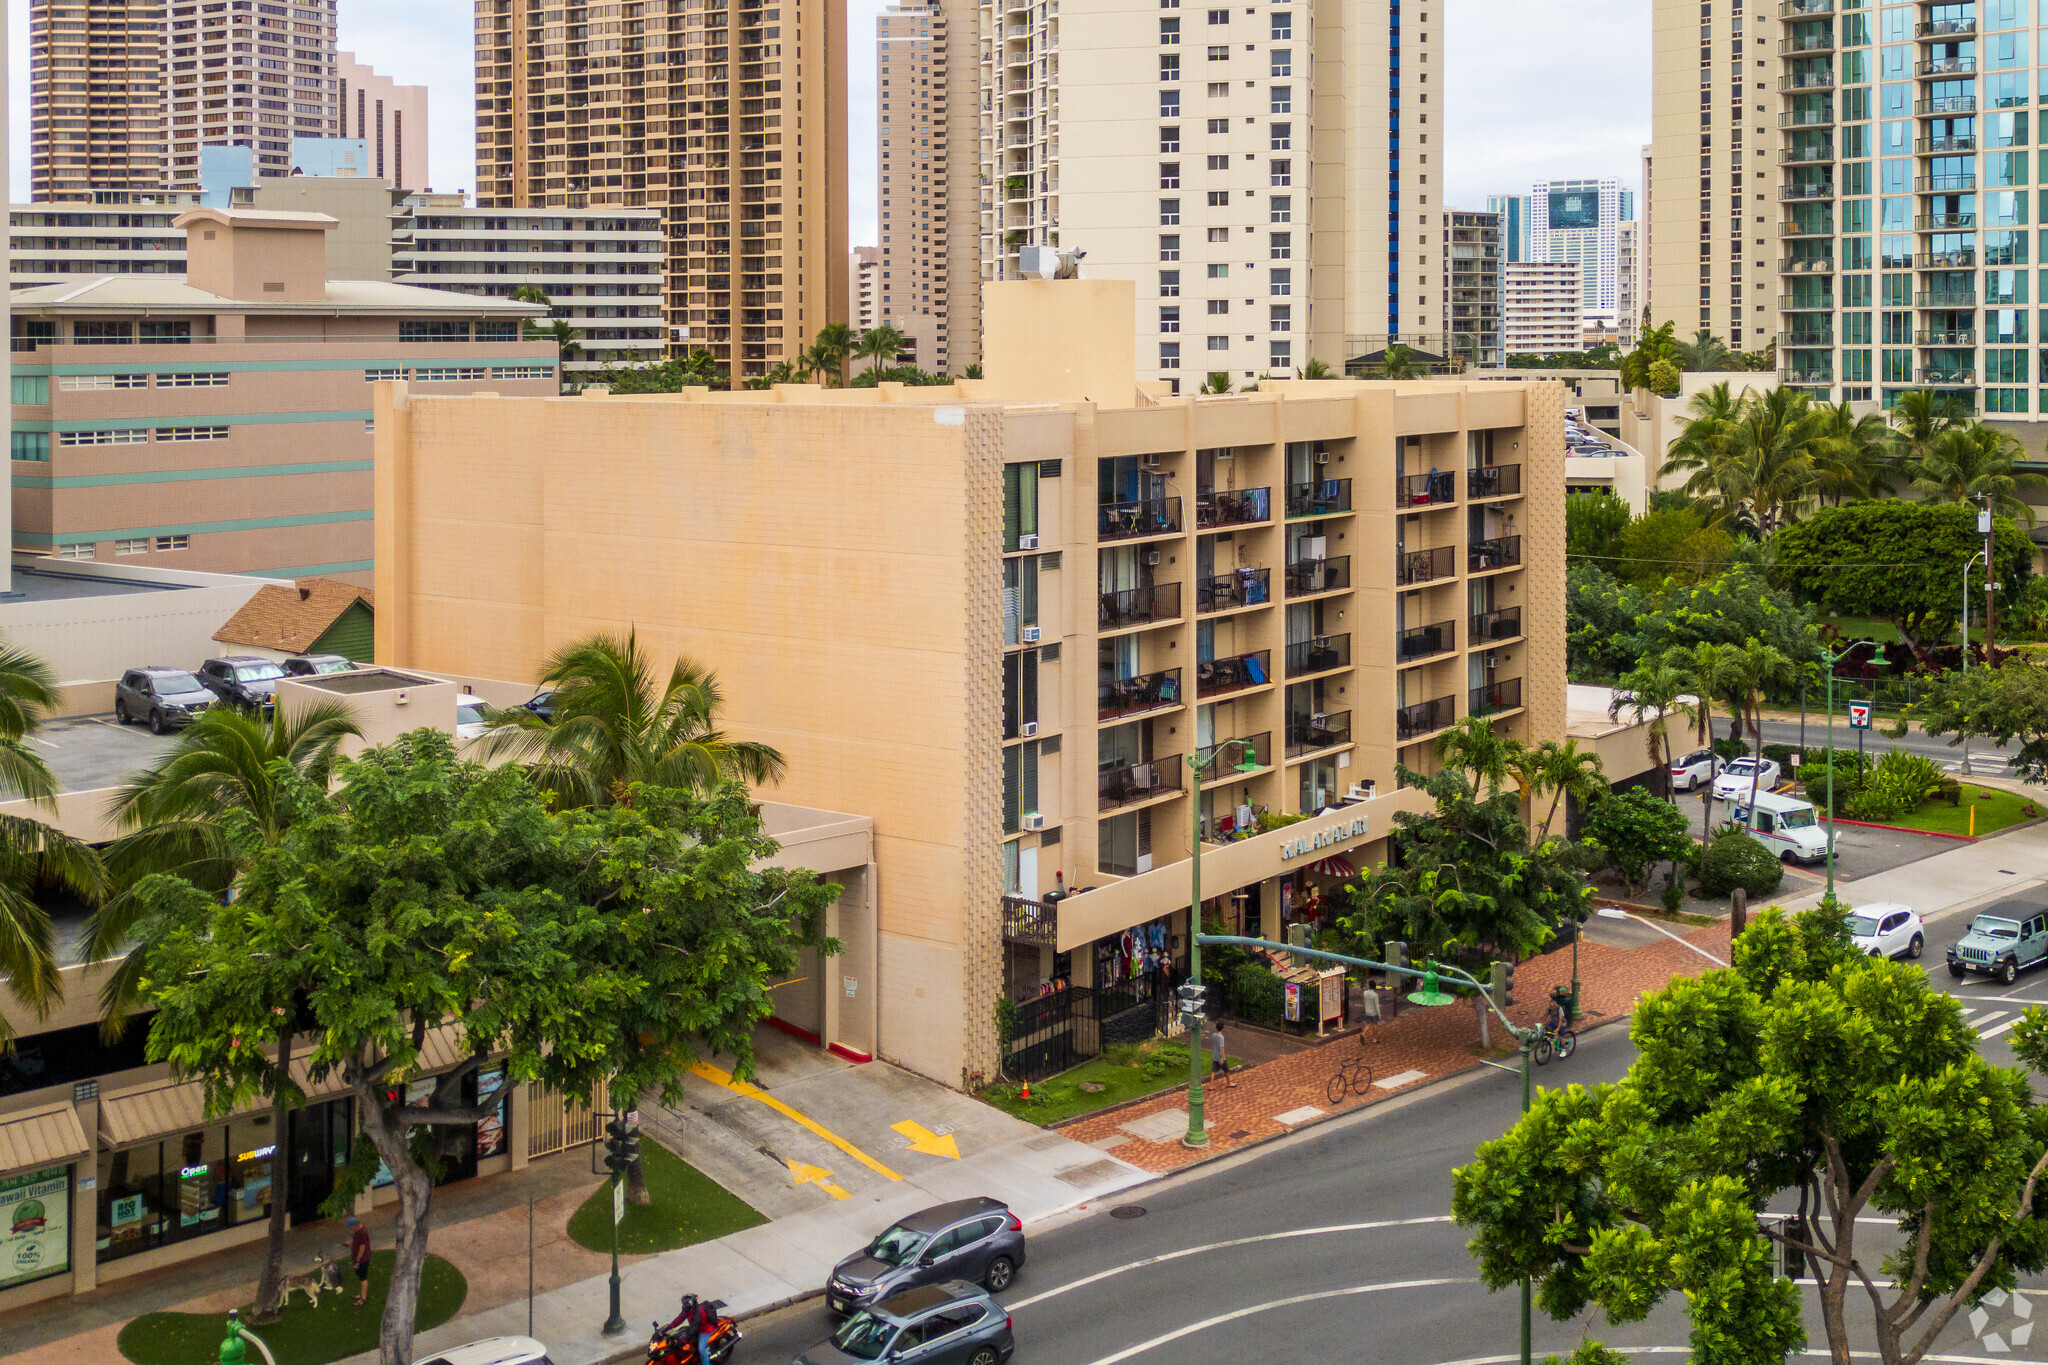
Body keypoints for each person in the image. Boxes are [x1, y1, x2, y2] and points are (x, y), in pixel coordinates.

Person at [347, 1215, 371, 1306]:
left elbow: (362, 1248)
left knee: (363, 1278)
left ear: (354, 1225)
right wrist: (351, 1244)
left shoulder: (362, 1233)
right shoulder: (357, 1232)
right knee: (360, 1277)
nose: (351, 1229)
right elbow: (358, 1244)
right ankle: (361, 1294)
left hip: (362, 1260)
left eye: (351, 1227)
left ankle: (363, 1298)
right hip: (358, 1259)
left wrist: (357, 1261)